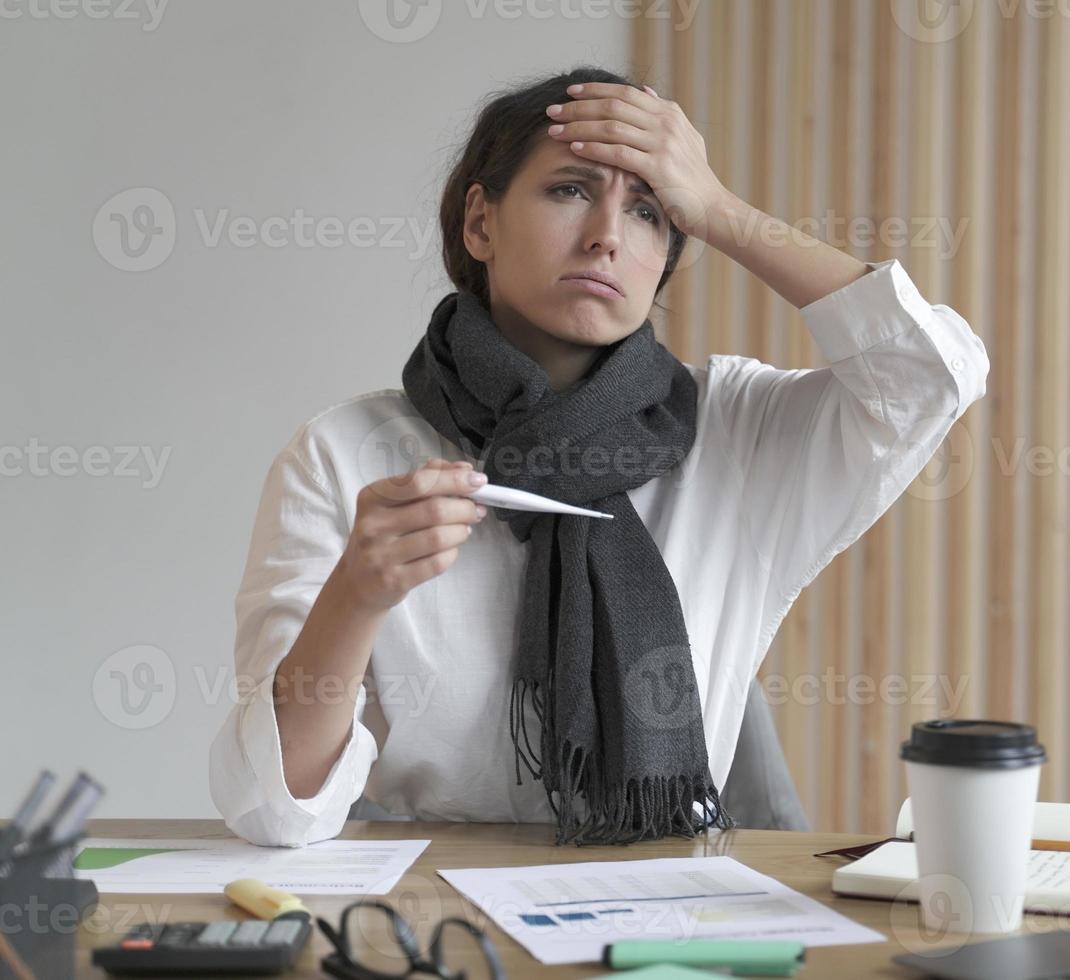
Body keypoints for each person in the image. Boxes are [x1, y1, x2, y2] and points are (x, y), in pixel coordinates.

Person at [208, 65, 990, 847]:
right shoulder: (347, 457)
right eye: (569, 190)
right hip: (434, 911)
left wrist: (718, 207)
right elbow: (274, 809)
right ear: (480, 222)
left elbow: (928, 379)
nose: (607, 236)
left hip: (669, 907)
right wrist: (356, 595)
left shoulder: (735, 433)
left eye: (649, 210)